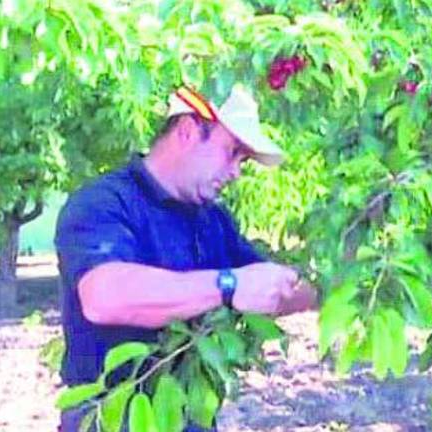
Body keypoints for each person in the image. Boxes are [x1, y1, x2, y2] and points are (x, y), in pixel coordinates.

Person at [54, 84, 318, 432]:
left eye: (244, 161)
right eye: (232, 152)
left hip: (190, 410)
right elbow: (104, 297)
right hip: (110, 416)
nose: (237, 171)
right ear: (187, 131)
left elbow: (269, 286)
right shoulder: (103, 202)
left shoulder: (213, 220)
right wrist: (228, 285)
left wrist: (332, 289)